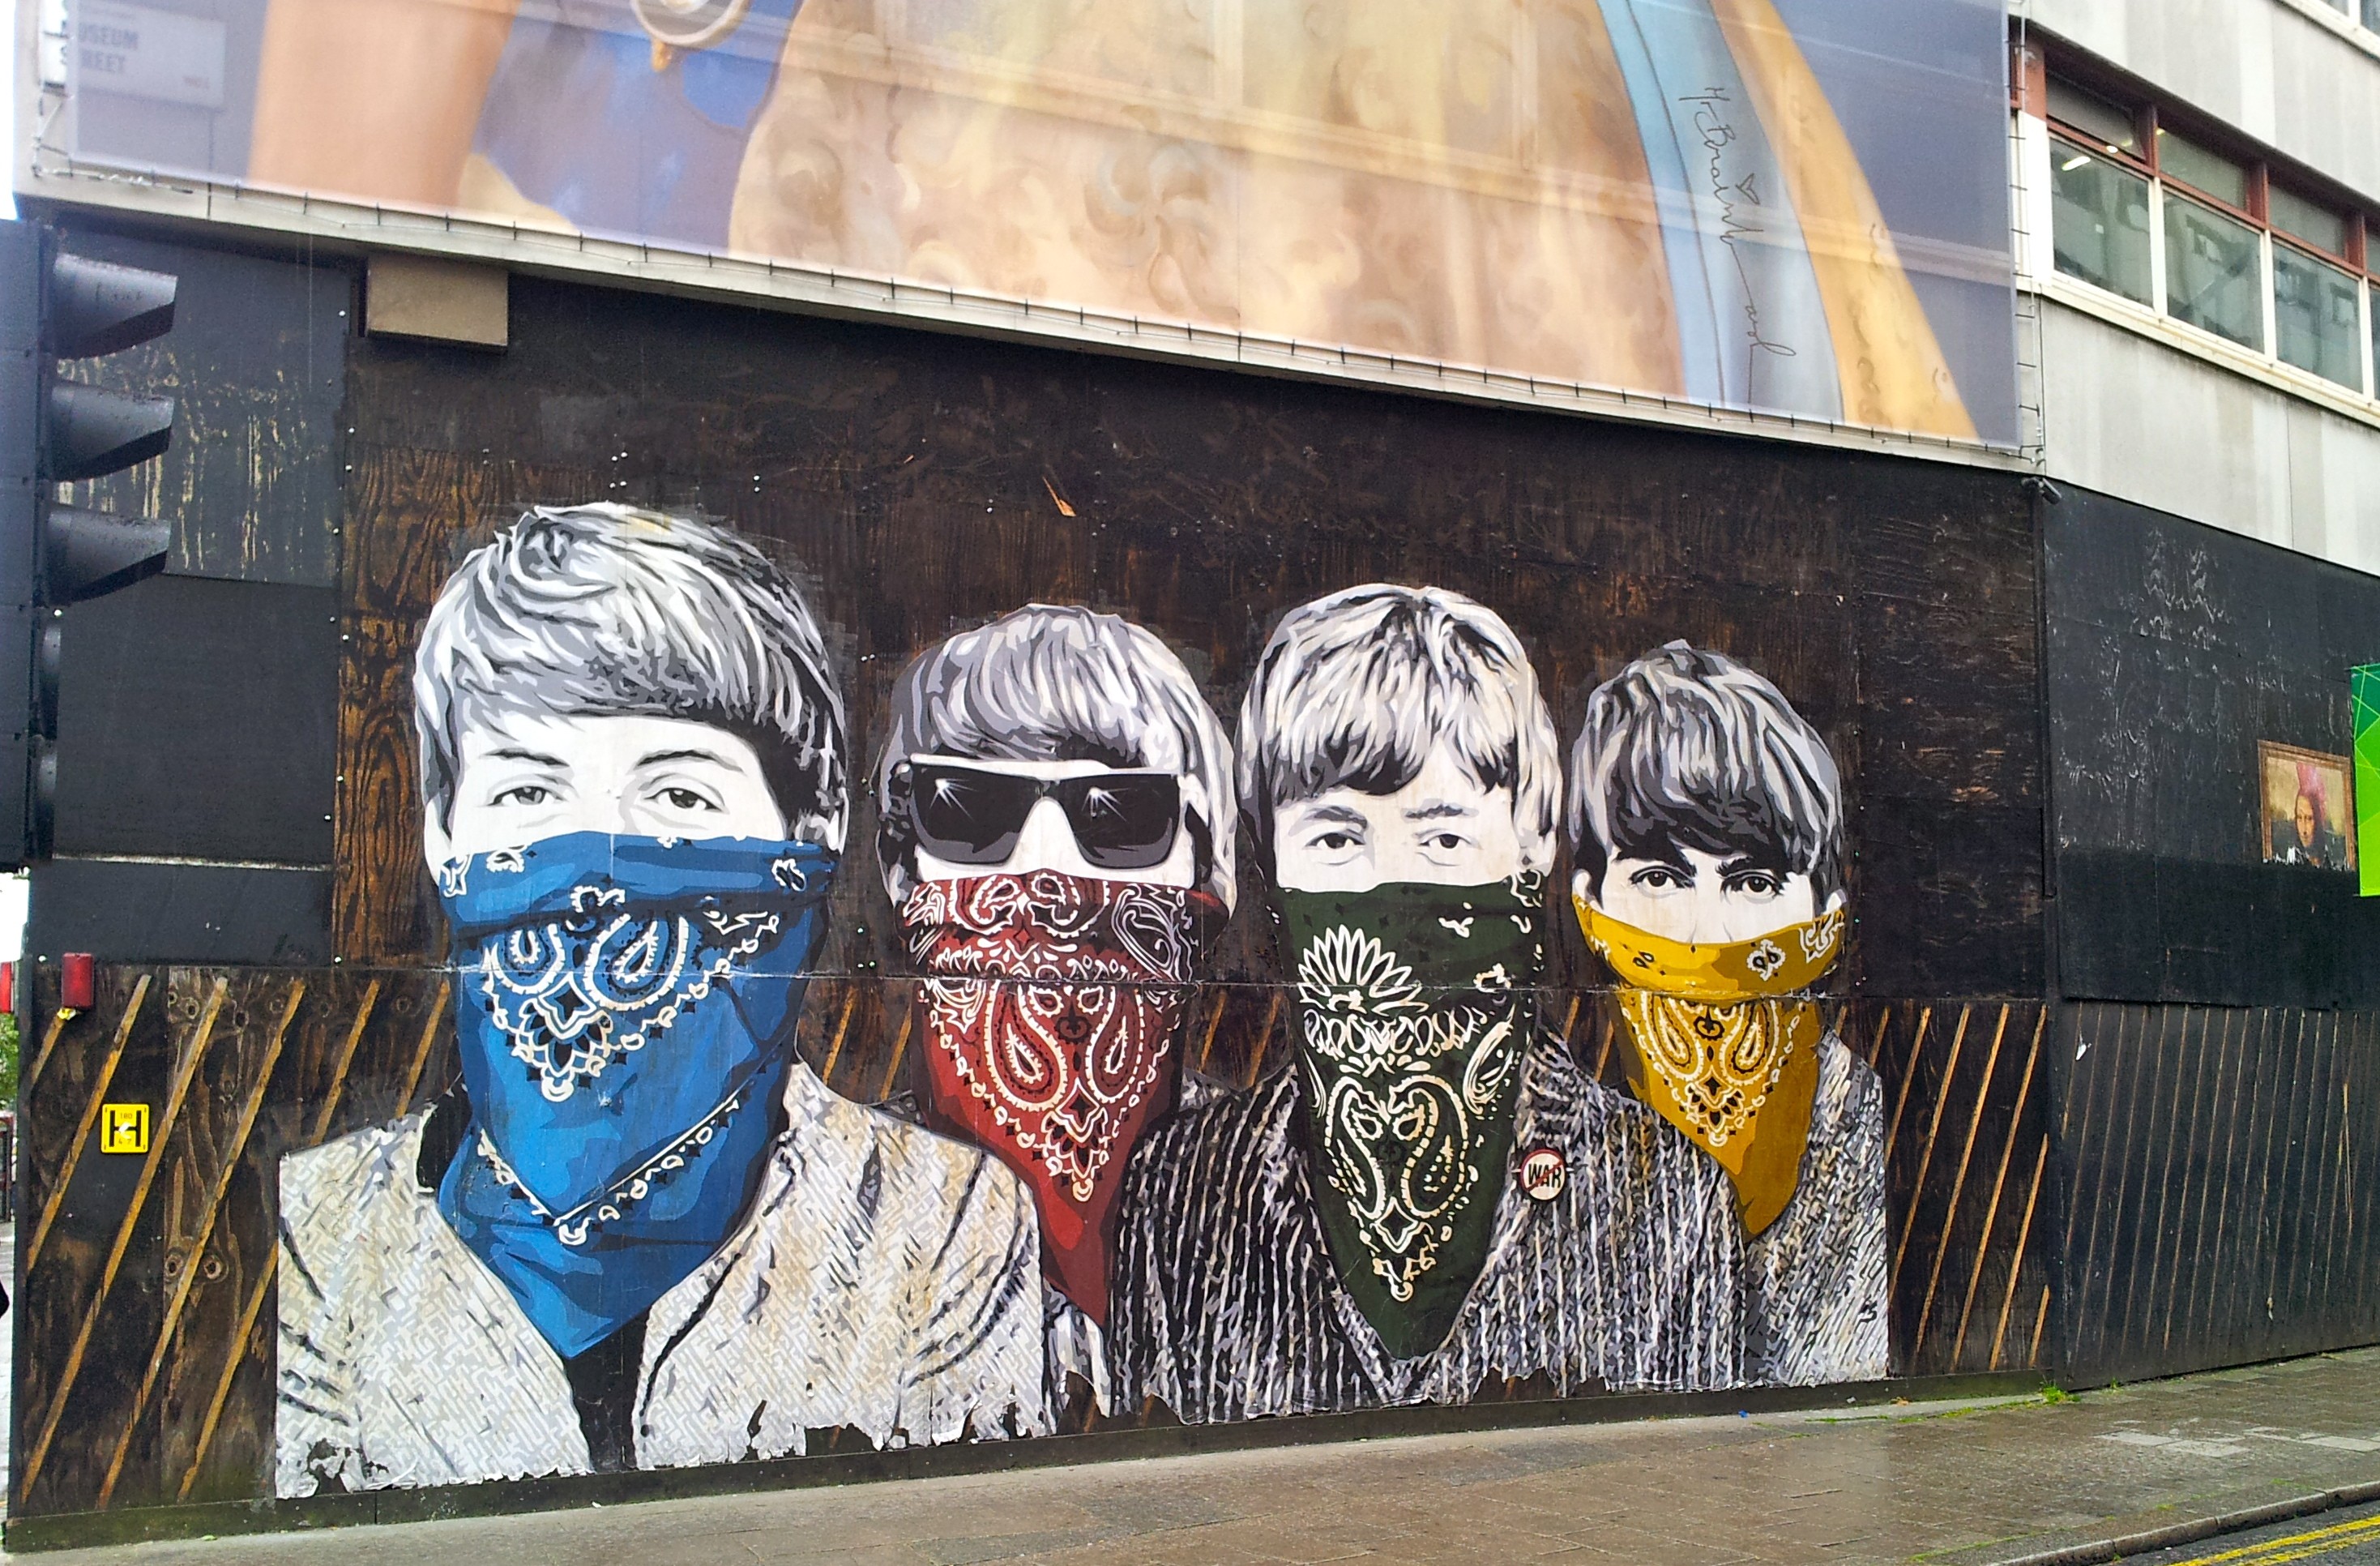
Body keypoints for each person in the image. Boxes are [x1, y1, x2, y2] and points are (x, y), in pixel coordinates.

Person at [276, 504, 1048, 1497]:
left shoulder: (938, 1220)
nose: (602, 863)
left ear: (813, 833)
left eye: (681, 796)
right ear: (441, 833)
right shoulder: (327, 1228)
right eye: (528, 793)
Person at [1107, 584, 1745, 1423]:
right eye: (1336, 837)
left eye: (1443, 837)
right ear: (1269, 858)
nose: (1387, 889)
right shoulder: (1181, 1189)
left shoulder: (1667, 1198)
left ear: (1532, 843)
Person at [874, 605, 1235, 1416]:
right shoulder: (829, 1200)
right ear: (902, 870)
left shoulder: (1268, 1189)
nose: (1045, 872)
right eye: (969, 813)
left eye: (1121, 817)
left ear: (1204, 868)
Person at [1566, 640, 1886, 1387]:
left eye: (1752, 883)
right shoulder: (1555, 1108)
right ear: (1588, 899)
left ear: (1825, 907)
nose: (1704, 931)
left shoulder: (1861, 1113)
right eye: (1658, 877)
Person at [2273, 785, 2345, 871]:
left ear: (2318, 820)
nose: (2303, 830)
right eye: (2299, 818)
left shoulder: (2334, 851)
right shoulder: (2288, 854)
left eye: (2309, 819)